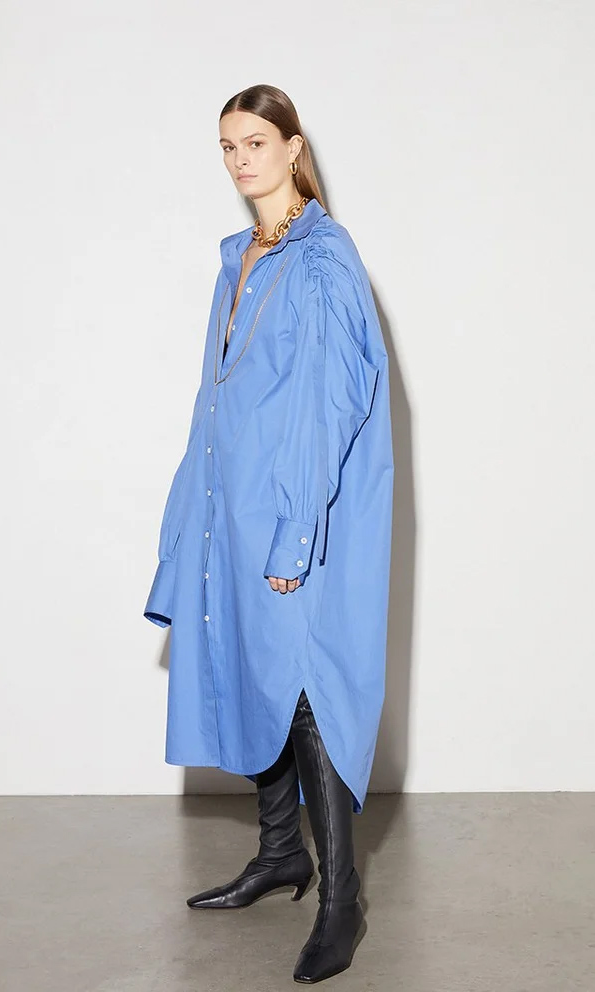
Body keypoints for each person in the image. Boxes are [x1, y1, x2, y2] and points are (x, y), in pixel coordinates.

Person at [143, 84, 394, 984]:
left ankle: (341, 900)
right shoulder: (239, 258)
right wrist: (191, 518)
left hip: (296, 514)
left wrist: (294, 534)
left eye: (255, 141)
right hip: (231, 511)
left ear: (293, 147)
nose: (240, 159)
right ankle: (282, 853)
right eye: (227, 145)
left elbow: (327, 406)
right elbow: (214, 404)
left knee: (307, 691)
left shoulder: (322, 260)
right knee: (251, 672)